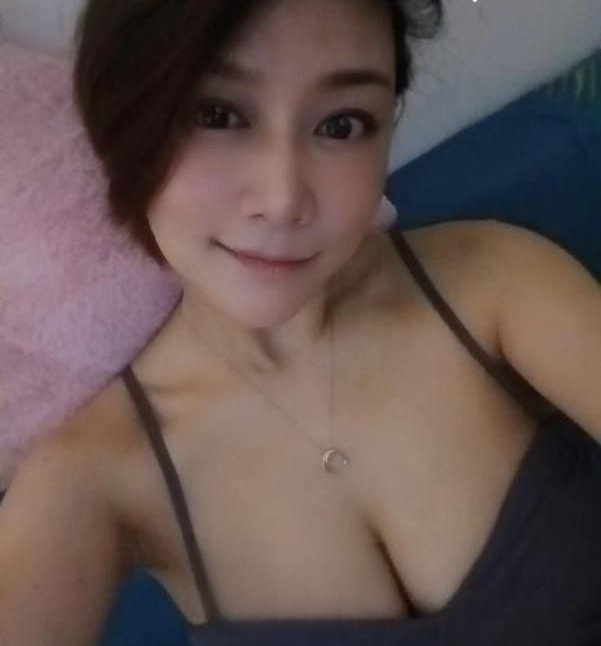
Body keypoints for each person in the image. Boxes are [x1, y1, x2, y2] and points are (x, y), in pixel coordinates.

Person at [1, 1, 601, 644]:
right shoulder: (90, 477)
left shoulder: (493, 281)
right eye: (217, 115)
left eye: (342, 125)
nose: (283, 198)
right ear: (126, 124)